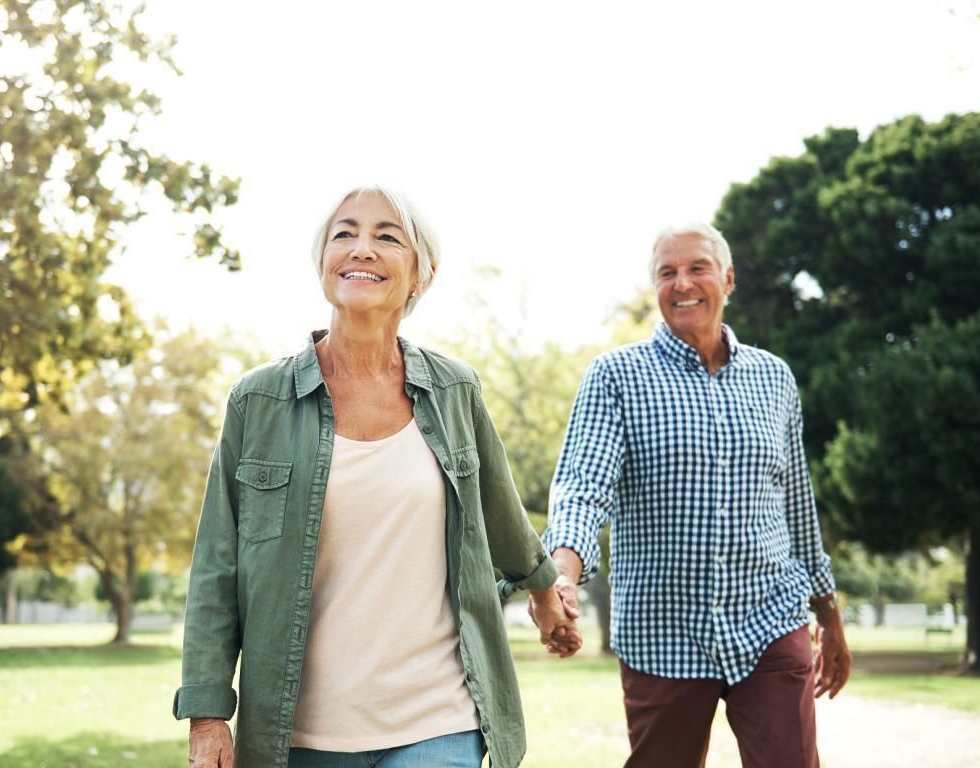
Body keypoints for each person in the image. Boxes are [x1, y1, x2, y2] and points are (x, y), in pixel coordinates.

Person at [176, 185, 580, 768]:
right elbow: (216, 568)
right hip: (301, 733)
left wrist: (545, 592)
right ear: (323, 264)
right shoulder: (257, 401)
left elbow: (501, 515)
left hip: (439, 720)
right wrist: (208, 716)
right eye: (345, 234)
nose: (362, 248)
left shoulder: (454, 392)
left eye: (387, 237)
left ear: (422, 274)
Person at [536, 222, 851, 768]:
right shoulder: (616, 377)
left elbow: (797, 503)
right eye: (667, 273)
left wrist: (827, 611)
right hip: (662, 630)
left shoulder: (774, 378)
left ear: (728, 279)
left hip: (771, 618)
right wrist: (561, 574)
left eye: (697, 268)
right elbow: (583, 489)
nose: (682, 283)